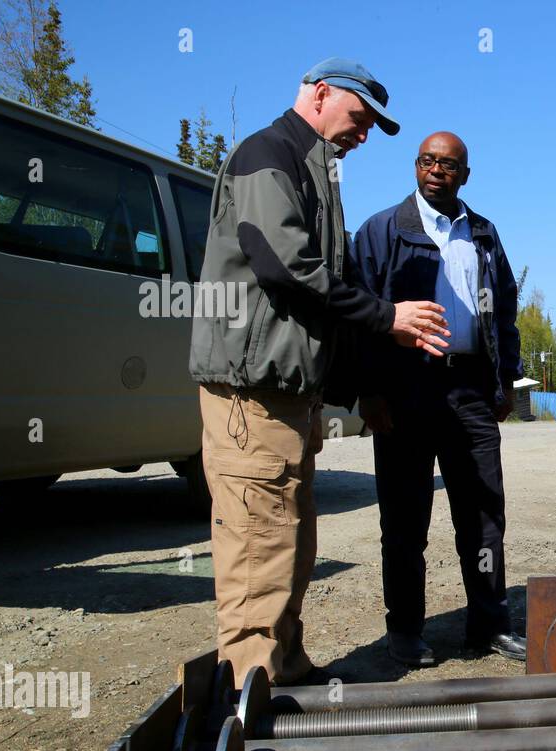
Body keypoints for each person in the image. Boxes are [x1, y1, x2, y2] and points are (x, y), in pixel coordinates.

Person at [189, 58, 449, 688]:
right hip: (252, 395)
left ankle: (285, 663)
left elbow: (321, 287)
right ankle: (252, 694)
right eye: (359, 119)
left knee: (291, 539)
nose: (363, 136)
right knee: (259, 544)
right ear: (320, 92)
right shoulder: (268, 156)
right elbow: (286, 267)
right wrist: (387, 317)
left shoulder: (313, 169)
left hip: (288, 395)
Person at [352, 131, 526, 665]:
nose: (436, 171)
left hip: (470, 389)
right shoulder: (383, 231)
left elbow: (504, 315)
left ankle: (488, 624)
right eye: (427, 161)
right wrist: (370, 391)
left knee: (481, 515)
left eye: (448, 165)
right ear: (415, 166)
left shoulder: (483, 233)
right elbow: (359, 318)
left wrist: (505, 380)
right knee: (405, 520)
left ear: (464, 175)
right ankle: (405, 630)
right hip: (405, 391)